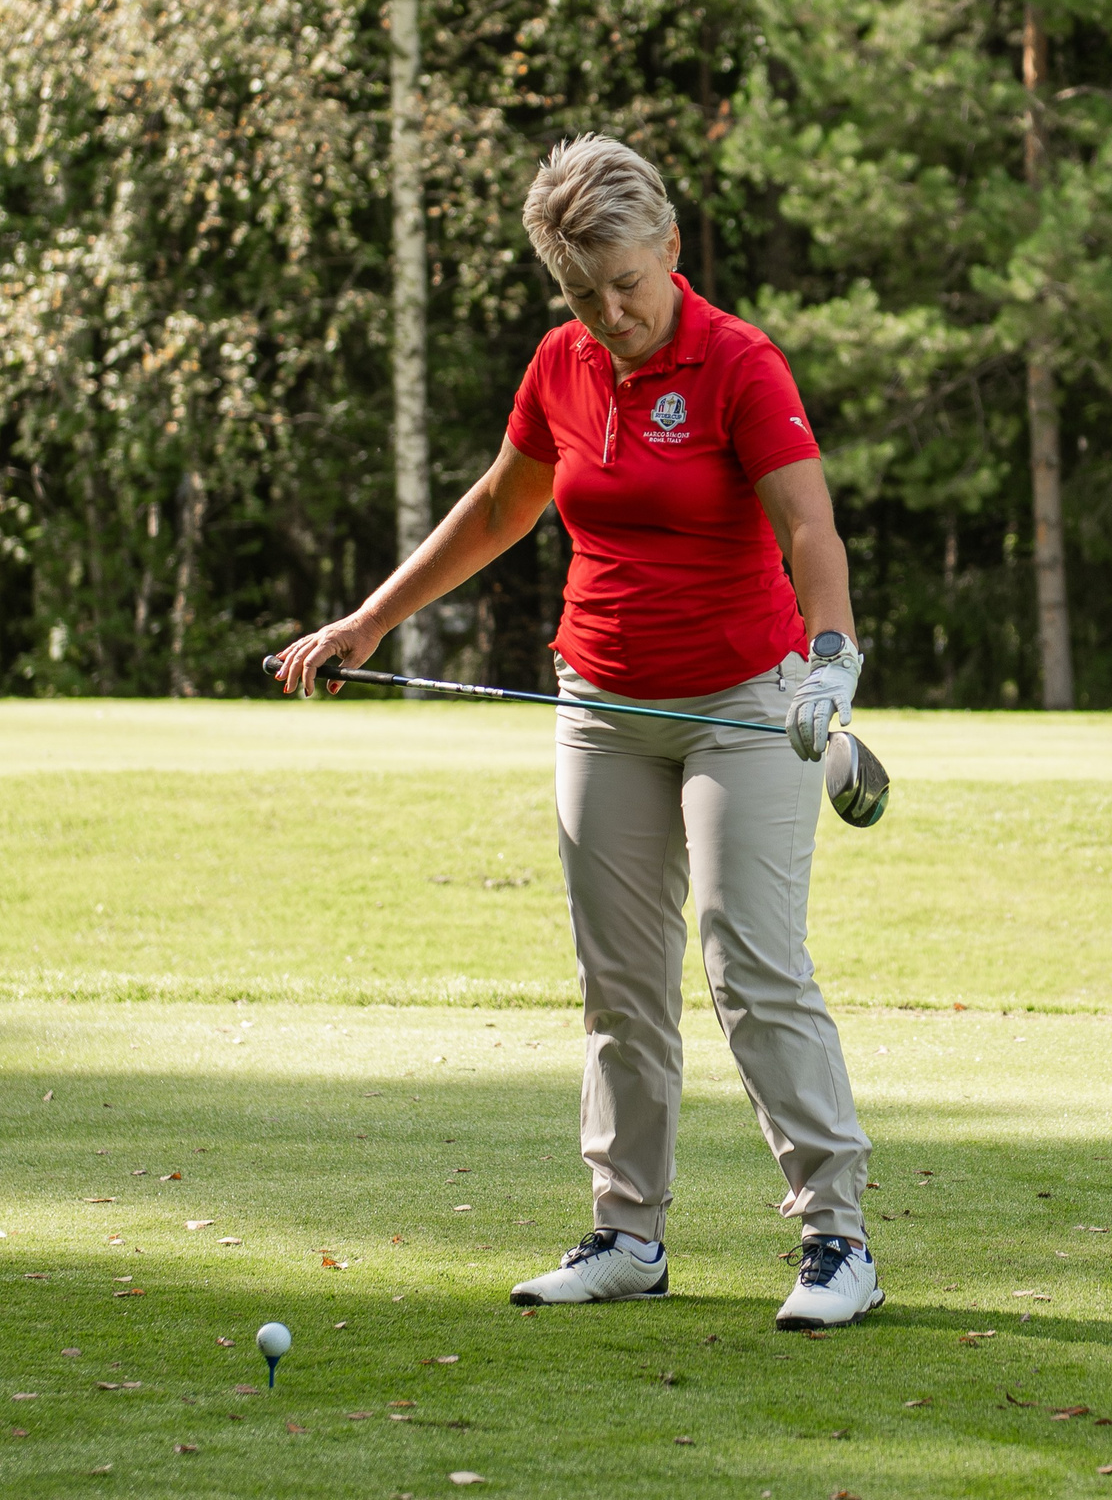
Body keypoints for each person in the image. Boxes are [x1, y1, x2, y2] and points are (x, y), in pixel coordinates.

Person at [269, 133, 881, 1330]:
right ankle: (627, 1233)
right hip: (601, 703)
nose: (611, 312)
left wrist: (830, 657)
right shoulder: (563, 363)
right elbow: (502, 503)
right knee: (620, 981)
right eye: (582, 291)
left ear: (670, 246)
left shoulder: (738, 364)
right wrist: (368, 619)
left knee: (745, 960)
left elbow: (809, 526)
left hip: (747, 703)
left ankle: (836, 1239)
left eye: (627, 283)